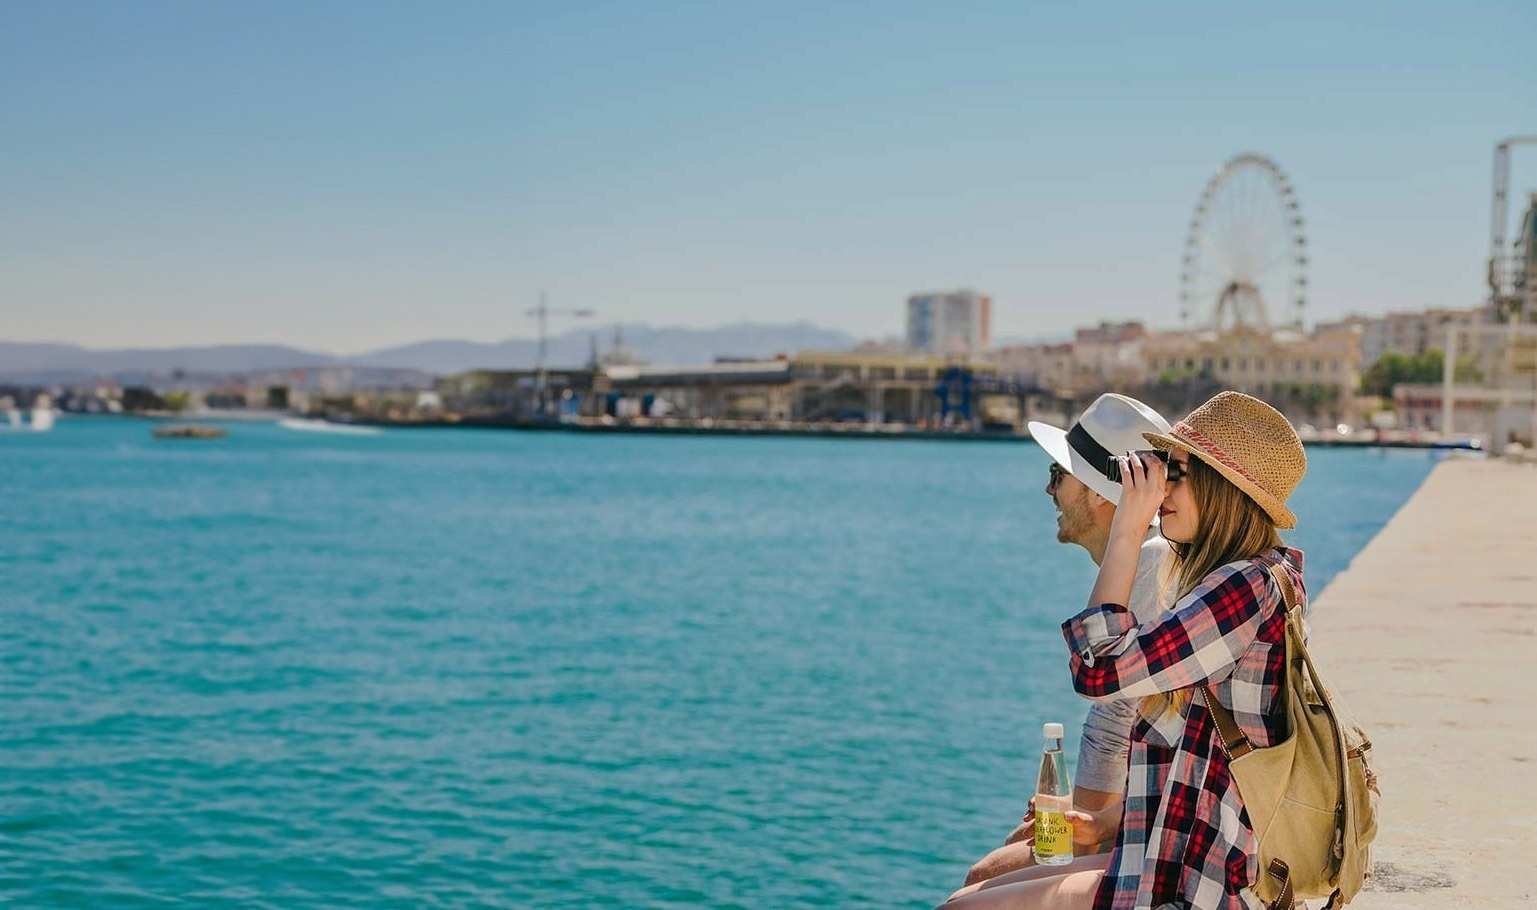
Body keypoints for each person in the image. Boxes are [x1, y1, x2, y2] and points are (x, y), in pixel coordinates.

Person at [945, 391, 1308, 910]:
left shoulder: (1245, 587)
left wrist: (1129, 529)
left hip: (1202, 883)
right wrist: (1103, 821)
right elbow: (1191, 754)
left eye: (1173, 473)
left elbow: (1099, 671)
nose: (1159, 488)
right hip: (1174, 853)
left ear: (1217, 487)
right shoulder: (1251, 576)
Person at [952, 394, 1175, 897]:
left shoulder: (1150, 561)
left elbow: (1116, 716)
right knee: (1002, 862)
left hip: (1143, 834)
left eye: (1058, 474)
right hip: (1133, 814)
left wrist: (1089, 826)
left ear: (1099, 494)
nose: (1049, 488)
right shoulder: (1152, 556)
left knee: (978, 885)